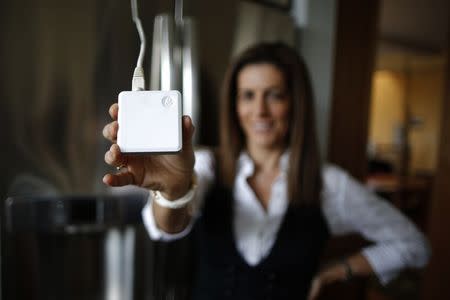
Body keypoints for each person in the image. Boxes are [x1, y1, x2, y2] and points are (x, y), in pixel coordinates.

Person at [102, 42, 430, 300]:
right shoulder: (207, 167)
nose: (259, 110)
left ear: (295, 103)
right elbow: (165, 228)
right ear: (235, 104)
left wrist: (334, 271)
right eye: (248, 95)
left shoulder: (328, 184)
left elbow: (412, 244)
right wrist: (172, 191)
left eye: (274, 95)